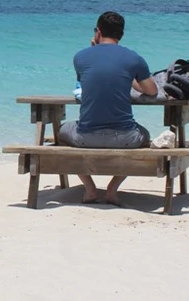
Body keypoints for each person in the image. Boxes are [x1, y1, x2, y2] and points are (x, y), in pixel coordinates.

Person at [57, 11, 158, 206]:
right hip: (126, 138)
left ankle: (90, 189)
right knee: (145, 136)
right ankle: (112, 189)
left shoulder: (80, 57)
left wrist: (94, 49)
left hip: (85, 137)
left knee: (61, 132)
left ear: (98, 32)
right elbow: (151, 91)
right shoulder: (133, 58)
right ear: (122, 34)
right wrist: (130, 76)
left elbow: (91, 79)